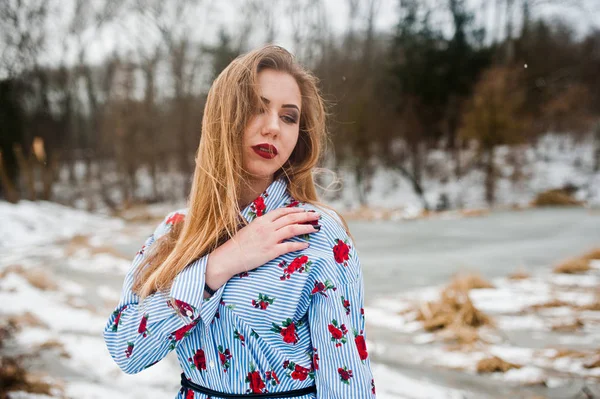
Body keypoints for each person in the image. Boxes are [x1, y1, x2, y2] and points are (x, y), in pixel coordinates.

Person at [104, 45, 376, 399]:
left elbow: (346, 383)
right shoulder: (176, 232)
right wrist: (215, 267)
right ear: (223, 118)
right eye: (256, 108)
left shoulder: (314, 232)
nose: (273, 127)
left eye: (289, 117)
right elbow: (127, 350)